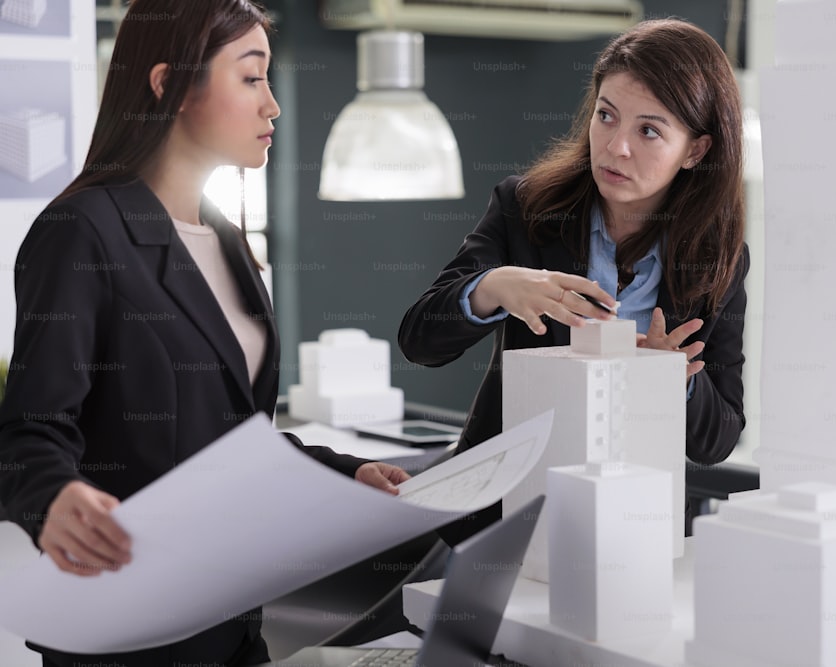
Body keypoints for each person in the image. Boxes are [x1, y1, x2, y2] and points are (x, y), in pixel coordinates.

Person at [0, 1, 410, 665]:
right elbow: (29, 431)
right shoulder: (82, 232)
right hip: (126, 635)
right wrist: (53, 497)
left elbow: (234, 442)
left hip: (229, 624)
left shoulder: (225, 237)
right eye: (251, 78)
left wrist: (345, 471)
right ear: (168, 86)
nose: (272, 105)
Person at [398, 18, 749, 538]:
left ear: (695, 150)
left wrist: (675, 383)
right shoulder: (526, 208)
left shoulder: (718, 257)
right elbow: (420, 341)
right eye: (606, 116)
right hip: (501, 517)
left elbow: (716, 440)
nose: (616, 147)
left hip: (632, 527)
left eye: (648, 130)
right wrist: (494, 287)